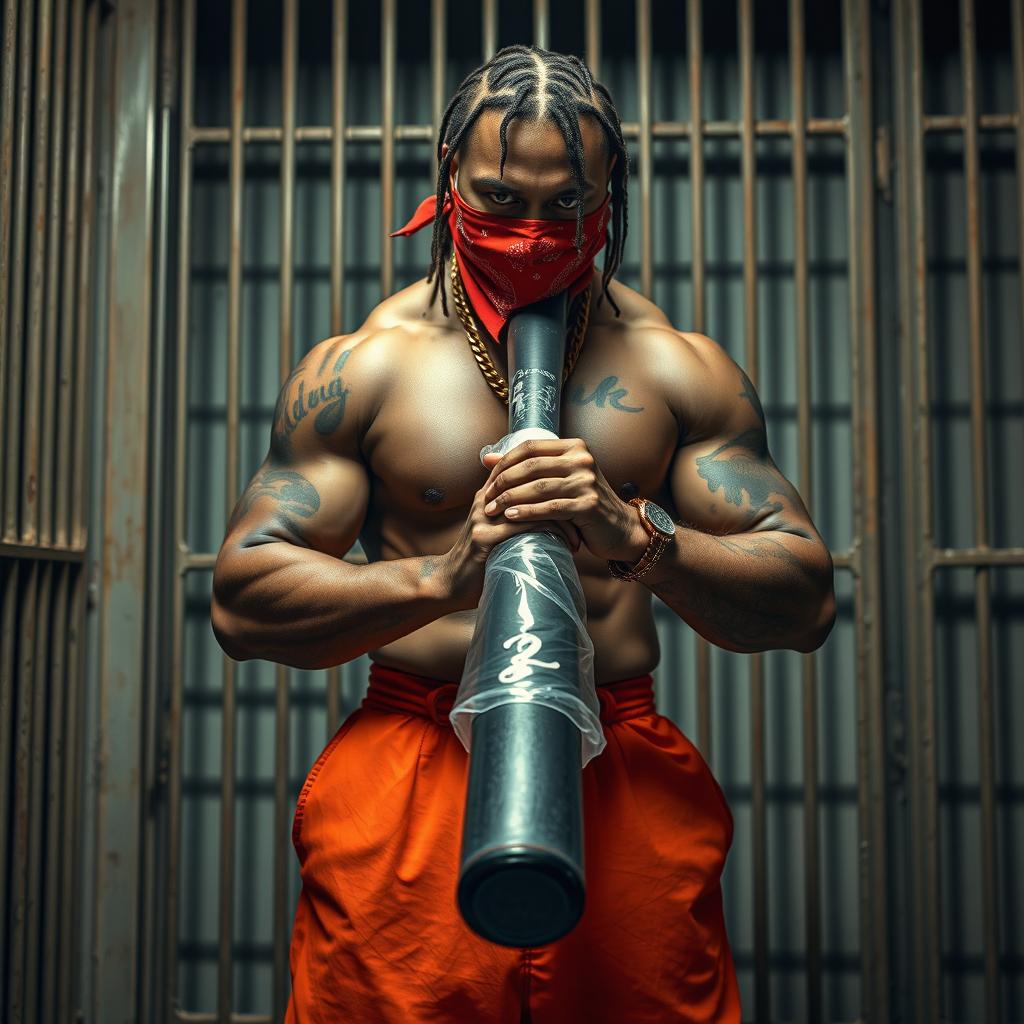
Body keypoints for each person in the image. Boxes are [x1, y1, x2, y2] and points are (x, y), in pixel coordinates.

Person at [212, 43, 835, 1024]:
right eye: (501, 199)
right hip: (415, 758)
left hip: (614, 764)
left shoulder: (678, 370)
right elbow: (240, 602)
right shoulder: (367, 367)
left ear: (611, 191)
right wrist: (447, 573)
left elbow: (804, 601)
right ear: (448, 175)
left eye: (568, 205)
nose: (535, 232)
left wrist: (634, 535)